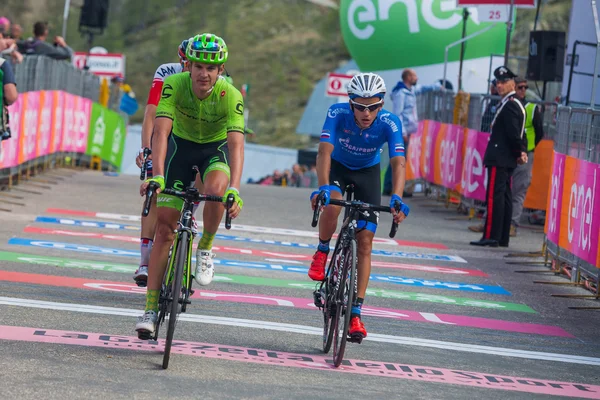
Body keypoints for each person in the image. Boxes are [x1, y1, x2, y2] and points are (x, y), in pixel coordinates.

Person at [135, 33, 245, 337]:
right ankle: (150, 308)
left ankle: (206, 247)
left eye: (211, 68)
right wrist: (157, 174)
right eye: (198, 66)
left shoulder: (231, 95)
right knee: (165, 230)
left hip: (215, 150)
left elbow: (235, 146)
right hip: (179, 150)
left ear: (221, 71)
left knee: (216, 192)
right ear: (189, 65)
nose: (204, 74)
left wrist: (235, 187)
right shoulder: (174, 85)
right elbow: (161, 132)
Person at [308, 72, 410, 341]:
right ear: (350, 102)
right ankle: (321, 251)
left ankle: (355, 313)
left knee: (365, 243)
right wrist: (323, 187)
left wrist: (397, 196)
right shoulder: (337, 112)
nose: (367, 113)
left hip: (367, 173)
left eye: (374, 106)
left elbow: (399, 161)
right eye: (361, 106)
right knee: (333, 206)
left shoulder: (390, 122)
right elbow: (324, 152)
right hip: (338, 168)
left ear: (382, 103)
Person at [132, 38, 193, 287]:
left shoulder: (213, 77)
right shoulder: (167, 72)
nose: (191, 68)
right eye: (187, 63)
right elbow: (150, 113)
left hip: (193, 138)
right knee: (154, 193)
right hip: (165, 136)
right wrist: (146, 150)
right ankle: (145, 261)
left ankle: (190, 217)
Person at [470, 66, 527, 248]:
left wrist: (519, 152)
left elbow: (514, 133)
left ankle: (491, 236)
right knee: (505, 197)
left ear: (512, 83)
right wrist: (520, 151)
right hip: (504, 156)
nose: (499, 85)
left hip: (501, 156)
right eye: (498, 82)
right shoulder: (510, 103)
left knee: (495, 197)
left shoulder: (510, 105)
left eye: (503, 82)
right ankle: (501, 237)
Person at [383, 69, 442, 197]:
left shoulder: (411, 90)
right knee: (399, 160)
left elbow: (423, 88)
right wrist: (402, 132)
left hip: (407, 132)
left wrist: (438, 85)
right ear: (408, 77)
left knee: (399, 159)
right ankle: (394, 188)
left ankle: (389, 186)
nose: (417, 78)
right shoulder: (401, 93)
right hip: (401, 132)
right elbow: (398, 114)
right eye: (414, 76)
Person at [511, 77, 544, 236]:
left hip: (524, 155)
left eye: (525, 87)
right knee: (501, 188)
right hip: (508, 153)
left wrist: (529, 148)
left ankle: (512, 224)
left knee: (519, 190)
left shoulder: (531, 108)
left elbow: (540, 133)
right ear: (514, 88)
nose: (523, 90)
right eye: (520, 87)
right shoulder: (509, 104)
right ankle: (494, 221)